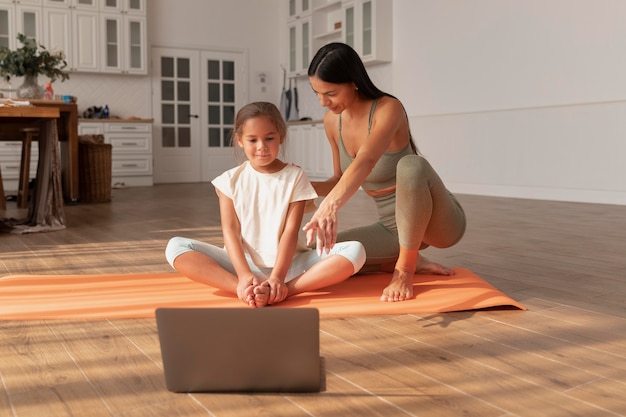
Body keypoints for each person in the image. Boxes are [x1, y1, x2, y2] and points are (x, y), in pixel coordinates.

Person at [304, 43, 467, 303]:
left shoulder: (388, 108)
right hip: (392, 230)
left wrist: (331, 206)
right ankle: (397, 259)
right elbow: (338, 179)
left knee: (411, 166)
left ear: (354, 82)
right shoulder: (331, 122)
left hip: (439, 223)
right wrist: (292, 187)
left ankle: (404, 270)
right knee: (313, 254)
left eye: (331, 92)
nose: (323, 102)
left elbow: (367, 160)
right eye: (317, 93)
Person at [166, 102, 366, 308]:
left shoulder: (295, 176)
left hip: (289, 267)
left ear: (281, 136)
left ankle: (286, 289)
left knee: (355, 251)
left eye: (269, 138)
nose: (262, 146)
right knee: (176, 246)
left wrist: (278, 277)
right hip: (240, 264)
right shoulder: (228, 180)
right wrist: (244, 276)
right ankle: (241, 288)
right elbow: (231, 231)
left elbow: (290, 231)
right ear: (240, 141)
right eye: (252, 140)